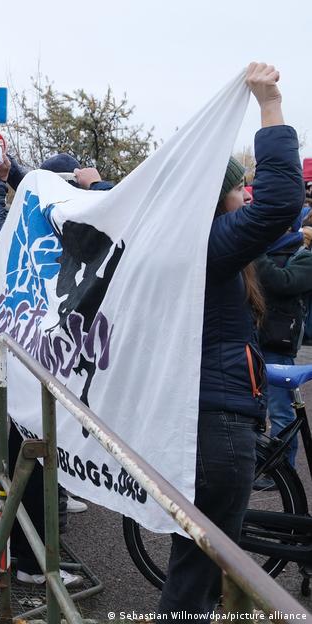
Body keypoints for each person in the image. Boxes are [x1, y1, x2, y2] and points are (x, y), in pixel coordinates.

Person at [159, 62, 303, 620]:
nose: (247, 193)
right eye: (239, 186)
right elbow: (280, 201)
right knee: (202, 562)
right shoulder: (208, 246)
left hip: (191, 415)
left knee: (192, 556)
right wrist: (269, 107)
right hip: (217, 422)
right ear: (214, 198)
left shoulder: (178, 245)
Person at [254, 215, 312, 474]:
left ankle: (281, 470)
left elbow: (284, 282)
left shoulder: (304, 256)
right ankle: (257, 465)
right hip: (252, 342)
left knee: (280, 412)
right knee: (253, 410)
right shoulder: (263, 253)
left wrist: (253, 251)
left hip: (278, 344)